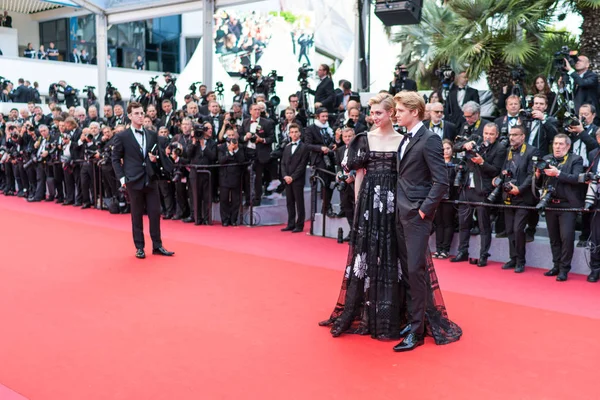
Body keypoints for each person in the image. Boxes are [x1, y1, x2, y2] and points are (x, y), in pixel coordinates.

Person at [318, 92, 461, 351]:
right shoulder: (407, 138)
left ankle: (416, 331)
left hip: (413, 214)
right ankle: (410, 322)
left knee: (415, 271)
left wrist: (422, 211)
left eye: (398, 111)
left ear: (413, 111)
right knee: (407, 270)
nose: (395, 115)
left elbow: (441, 181)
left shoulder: (428, 139)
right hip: (395, 213)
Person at [111, 102, 174, 259]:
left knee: (155, 212)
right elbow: (115, 158)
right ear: (130, 116)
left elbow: (156, 155)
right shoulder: (122, 136)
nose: (140, 116)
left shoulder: (151, 134)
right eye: (137, 113)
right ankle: (139, 247)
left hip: (150, 178)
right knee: (137, 215)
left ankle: (157, 245)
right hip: (133, 179)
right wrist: (122, 178)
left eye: (142, 113)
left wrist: (154, 160)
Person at [535, 134, 583, 282]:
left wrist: (558, 173)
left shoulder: (576, 159)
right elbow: (539, 183)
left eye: (561, 144)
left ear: (568, 146)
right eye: (555, 144)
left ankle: (564, 269)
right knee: (554, 238)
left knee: (566, 238)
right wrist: (536, 175)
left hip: (567, 205)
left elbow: (576, 179)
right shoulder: (547, 159)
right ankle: (556, 265)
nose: (557, 147)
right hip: (550, 204)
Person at [281, 123, 309, 233]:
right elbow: (282, 163)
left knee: (299, 202)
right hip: (287, 179)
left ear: (300, 133)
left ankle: (299, 225)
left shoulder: (304, 147)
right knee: (289, 202)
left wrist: (292, 177)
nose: (294, 134)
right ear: (289, 134)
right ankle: (291, 223)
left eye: (296, 132)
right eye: (291, 132)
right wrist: (285, 176)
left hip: (297, 179)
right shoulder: (287, 147)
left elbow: (302, 165)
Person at [433, 139, 457, 259]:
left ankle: (445, 249)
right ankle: (438, 249)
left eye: (448, 148)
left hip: (450, 197)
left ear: (452, 149)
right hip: (437, 197)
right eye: (443, 149)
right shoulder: (436, 163)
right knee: (438, 223)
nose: (445, 151)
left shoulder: (456, 164)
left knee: (448, 223)